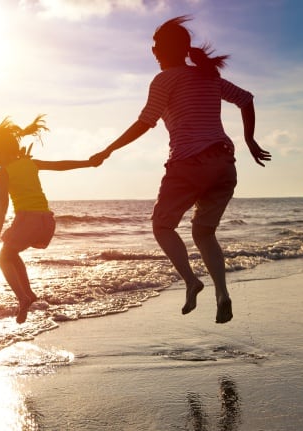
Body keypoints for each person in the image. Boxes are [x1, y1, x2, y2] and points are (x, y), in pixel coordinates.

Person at [90, 16, 271, 324]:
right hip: (225, 165)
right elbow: (246, 99)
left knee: (162, 226)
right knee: (204, 232)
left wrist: (108, 149)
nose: (153, 50)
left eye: (157, 46)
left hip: (190, 163)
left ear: (167, 50)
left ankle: (191, 281)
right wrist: (250, 140)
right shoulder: (207, 76)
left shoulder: (165, 80)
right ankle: (222, 294)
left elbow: (145, 122)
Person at [0, 115, 99, 324]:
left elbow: (2, 206)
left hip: (26, 220)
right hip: (46, 221)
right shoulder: (31, 163)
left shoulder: (2, 173)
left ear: (1, 152)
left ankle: (23, 297)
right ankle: (28, 293)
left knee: (3, 259)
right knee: (11, 254)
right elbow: (60, 165)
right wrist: (88, 163)